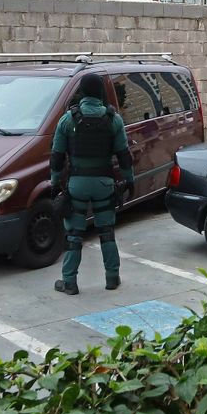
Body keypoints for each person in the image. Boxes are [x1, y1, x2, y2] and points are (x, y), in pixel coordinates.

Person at [50, 73, 135, 295]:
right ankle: (112, 277)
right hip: (104, 183)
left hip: (77, 184)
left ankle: (69, 281)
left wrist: (54, 182)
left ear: (82, 92)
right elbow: (124, 155)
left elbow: (57, 156)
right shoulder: (113, 119)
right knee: (106, 231)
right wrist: (129, 179)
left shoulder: (68, 119)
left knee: (74, 234)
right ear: (100, 91)